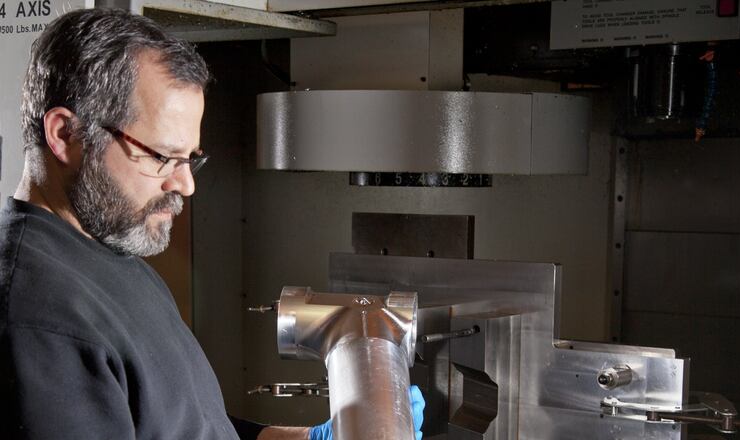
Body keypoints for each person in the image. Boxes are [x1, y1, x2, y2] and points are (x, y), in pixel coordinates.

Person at [0, 8, 424, 440]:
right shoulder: (39, 320)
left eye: (191, 159)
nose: (185, 185)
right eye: (162, 156)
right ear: (65, 134)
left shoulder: (108, 251)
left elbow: (181, 422)